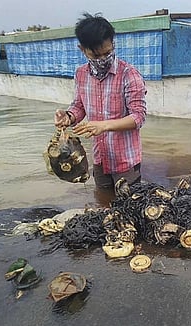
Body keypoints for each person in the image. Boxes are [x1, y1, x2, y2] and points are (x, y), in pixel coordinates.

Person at [54, 13, 147, 202]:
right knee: (103, 207)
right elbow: (79, 106)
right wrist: (69, 116)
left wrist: (103, 125)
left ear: (113, 43)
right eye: (95, 55)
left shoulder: (129, 75)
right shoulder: (81, 74)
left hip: (126, 162)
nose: (103, 58)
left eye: (107, 52)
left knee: (131, 210)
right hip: (100, 160)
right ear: (82, 49)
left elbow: (138, 117)